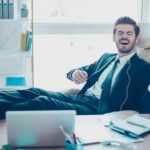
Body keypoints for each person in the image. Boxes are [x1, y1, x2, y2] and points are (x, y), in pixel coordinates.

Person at [0, 16, 150, 119]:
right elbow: (73, 72)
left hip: (98, 110)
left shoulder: (143, 68)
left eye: (129, 33)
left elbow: (145, 104)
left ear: (136, 39)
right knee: (35, 91)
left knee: (42, 101)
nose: (124, 36)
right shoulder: (106, 58)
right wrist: (75, 73)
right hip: (80, 98)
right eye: (120, 33)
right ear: (114, 37)